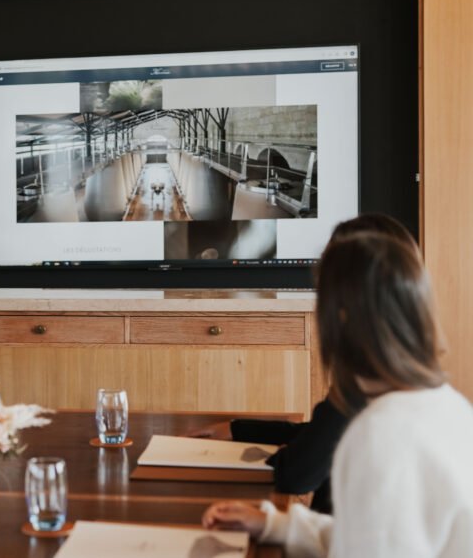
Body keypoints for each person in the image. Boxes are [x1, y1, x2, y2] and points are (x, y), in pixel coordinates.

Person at [202, 232, 473, 557]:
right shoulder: (451, 406)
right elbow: (371, 535)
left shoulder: (380, 432)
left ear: (340, 319)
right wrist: (274, 525)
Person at [187, 213, 416, 513]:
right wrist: (238, 429)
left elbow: (296, 475)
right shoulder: (402, 370)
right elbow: (323, 434)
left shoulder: (365, 379)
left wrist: (287, 456)